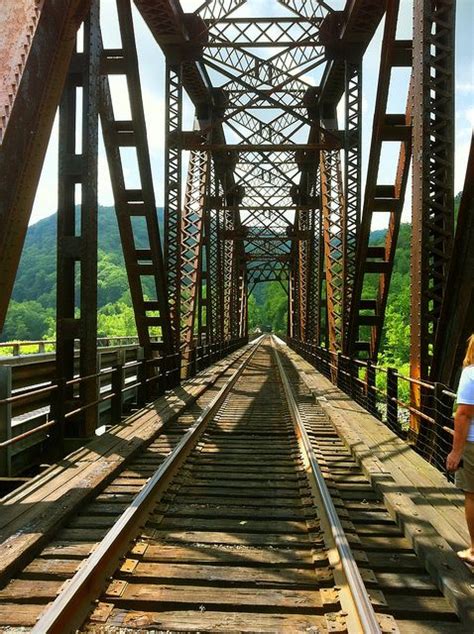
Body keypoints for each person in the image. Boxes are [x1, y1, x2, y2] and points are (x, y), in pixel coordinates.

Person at [447, 333, 474, 565]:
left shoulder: (471, 374)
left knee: (472, 494)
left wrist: (456, 451)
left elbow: (464, 413)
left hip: (473, 444)